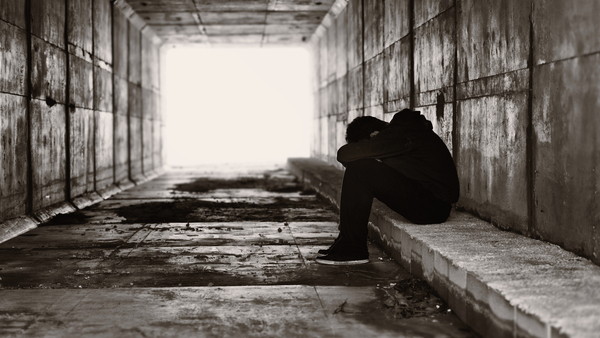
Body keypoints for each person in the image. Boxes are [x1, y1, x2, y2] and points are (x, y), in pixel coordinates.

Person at [315, 108, 460, 265]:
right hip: (430, 202)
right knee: (360, 167)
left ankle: (353, 247)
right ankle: (346, 240)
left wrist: (368, 152)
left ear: (374, 136)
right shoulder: (404, 132)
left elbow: (343, 154)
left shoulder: (399, 134)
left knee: (360, 168)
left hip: (433, 207)